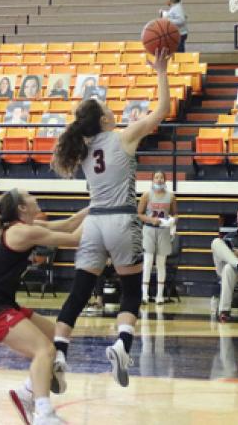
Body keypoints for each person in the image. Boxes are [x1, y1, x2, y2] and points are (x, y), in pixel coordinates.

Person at [49, 48, 171, 388]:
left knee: (79, 291)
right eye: (108, 108)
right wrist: (160, 70)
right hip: (121, 220)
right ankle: (122, 345)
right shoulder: (122, 136)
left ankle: (59, 352)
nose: (113, 110)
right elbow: (161, 111)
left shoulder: (83, 150)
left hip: (94, 223)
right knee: (131, 290)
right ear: (103, 120)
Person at [0, 189, 87, 425]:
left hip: (2, 304)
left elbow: (69, 224)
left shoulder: (20, 229)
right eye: (30, 197)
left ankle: (26, 392)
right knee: (43, 350)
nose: (35, 198)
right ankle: (43, 414)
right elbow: (75, 238)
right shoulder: (21, 232)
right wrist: (105, 215)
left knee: (56, 336)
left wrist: (96, 208)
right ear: (22, 208)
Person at [138, 170, 178, 305]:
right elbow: (139, 214)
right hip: (149, 230)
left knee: (161, 264)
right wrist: (150, 219)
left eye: (161, 177)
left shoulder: (171, 196)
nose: (159, 179)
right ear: (153, 180)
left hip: (164, 231)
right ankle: (144, 294)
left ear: (165, 180)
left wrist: (173, 221)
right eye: (156, 177)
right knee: (148, 262)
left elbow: (175, 215)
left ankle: (159, 296)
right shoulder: (146, 195)